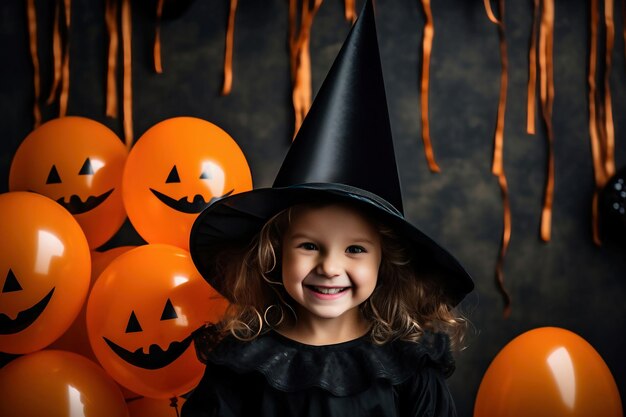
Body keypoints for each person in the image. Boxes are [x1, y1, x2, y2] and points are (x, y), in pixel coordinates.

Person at [182, 1, 474, 416]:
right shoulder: (239, 368)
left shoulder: (409, 369)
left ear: (384, 262)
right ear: (275, 251)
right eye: (309, 246)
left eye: (355, 249)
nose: (330, 267)